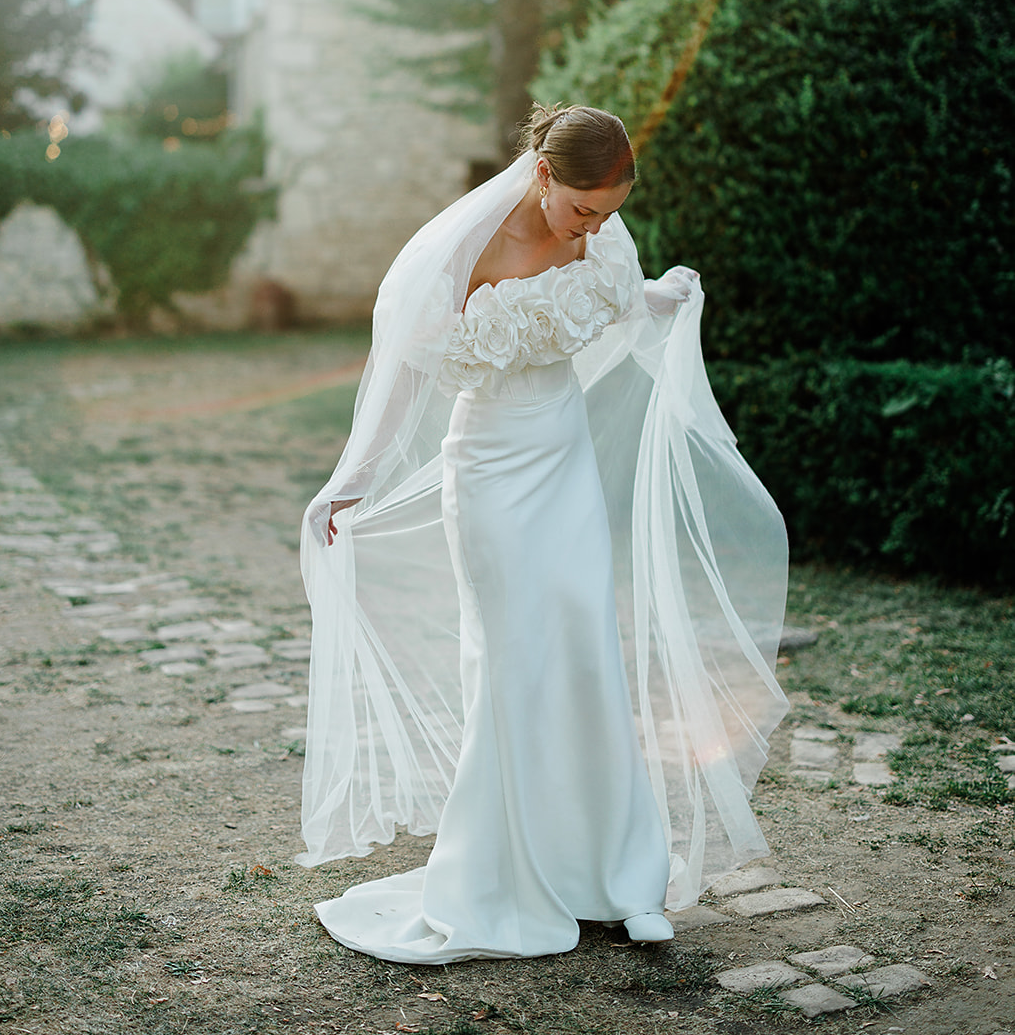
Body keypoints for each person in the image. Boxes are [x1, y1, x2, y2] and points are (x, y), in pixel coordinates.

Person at [296, 105, 789, 964]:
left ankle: (620, 875)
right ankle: (499, 878)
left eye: (607, 212)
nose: (594, 227)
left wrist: (654, 294)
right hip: (487, 472)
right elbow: (401, 383)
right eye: (580, 211)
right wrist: (352, 480)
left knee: (585, 648)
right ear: (541, 177)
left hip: (561, 464)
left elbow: (594, 301)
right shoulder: (456, 257)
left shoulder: (599, 233)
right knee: (513, 660)